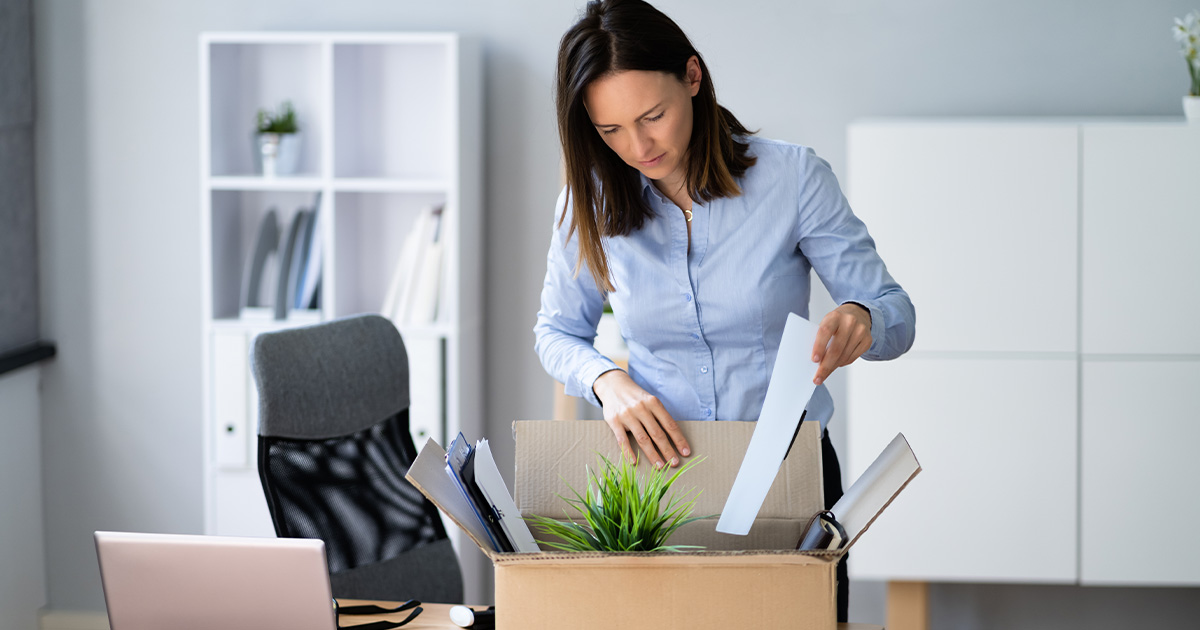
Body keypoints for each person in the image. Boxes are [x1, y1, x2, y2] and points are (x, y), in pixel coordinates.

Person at [533, 0, 915, 620]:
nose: (638, 146)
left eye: (652, 116)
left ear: (692, 77)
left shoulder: (791, 178)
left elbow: (896, 312)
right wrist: (607, 380)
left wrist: (862, 319)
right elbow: (555, 332)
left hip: (790, 474)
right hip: (658, 485)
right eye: (611, 130)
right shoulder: (591, 201)